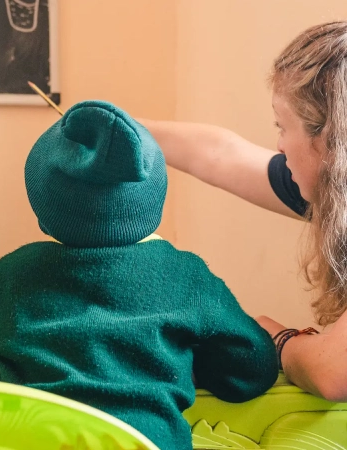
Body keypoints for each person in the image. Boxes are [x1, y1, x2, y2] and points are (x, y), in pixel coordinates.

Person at [0, 100, 278, 450]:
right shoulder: (186, 276)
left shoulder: (12, 274)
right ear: (152, 202)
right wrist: (192, 362)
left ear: (44, 209)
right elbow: (253, 368)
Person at [140, 21, 347, 403]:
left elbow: (334, 372)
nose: (279, 146)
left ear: (330, 139)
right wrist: (123, 124)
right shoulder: (328, 185)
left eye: (282, 126)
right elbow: (221, 155)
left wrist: (279, 339)